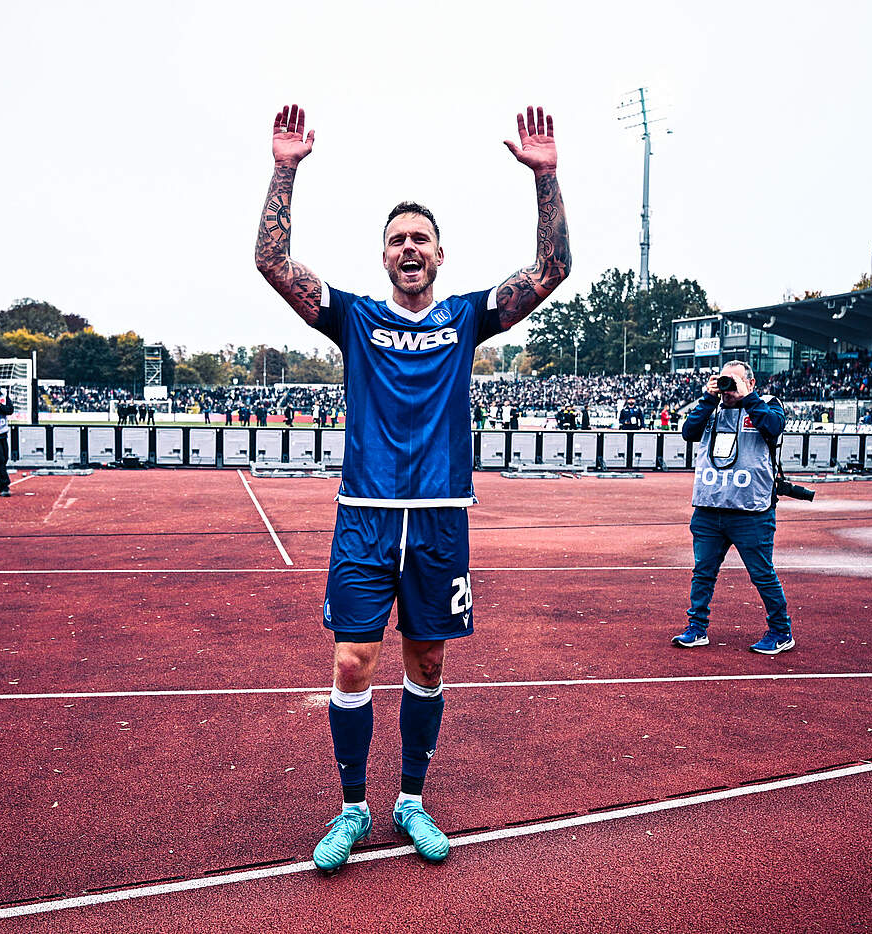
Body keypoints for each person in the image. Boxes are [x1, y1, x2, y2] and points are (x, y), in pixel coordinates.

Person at [254, 103, 569, 871]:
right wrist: (285, 169)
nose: (409, 248)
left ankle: (412, 801)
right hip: (365, 516)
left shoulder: (467, 318)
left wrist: (546, 179)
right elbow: (272, 263)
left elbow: (551, 270)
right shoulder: (355, 319)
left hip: (438, 520)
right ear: (384, 257)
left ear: (439, 255)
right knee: (352, 664)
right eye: (397, 240)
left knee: (427, 665)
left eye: (420, 238)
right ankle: (353, 809)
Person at [673, 361, 795, 655]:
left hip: (751, 509)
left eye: (734, 381)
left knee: (762, 573)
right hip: (709, 507)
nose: (728, 388)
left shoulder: (768, 405)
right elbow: (688, 432)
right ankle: (696, 628)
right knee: (703, 573)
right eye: (724, 381)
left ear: (751, 383)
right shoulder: (711, 408)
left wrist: (747, 398)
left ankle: (781, 632)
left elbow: (774, 427)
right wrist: (708, 397)